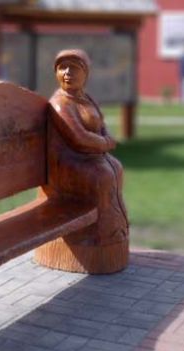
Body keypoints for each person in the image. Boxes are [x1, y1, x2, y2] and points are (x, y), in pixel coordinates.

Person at [46, 49, 129, 254]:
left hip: (88, 157)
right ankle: (95, 236)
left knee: (116, 168)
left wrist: (105, 138)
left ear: (86, 74)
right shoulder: (60, 103)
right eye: (62, 68)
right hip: (66, 163)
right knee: (102, 176)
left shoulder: (86, 98)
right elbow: (79, 138)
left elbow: (100, 125)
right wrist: (105, 143)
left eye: (73, 68)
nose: (67, 73)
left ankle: (113, 229)